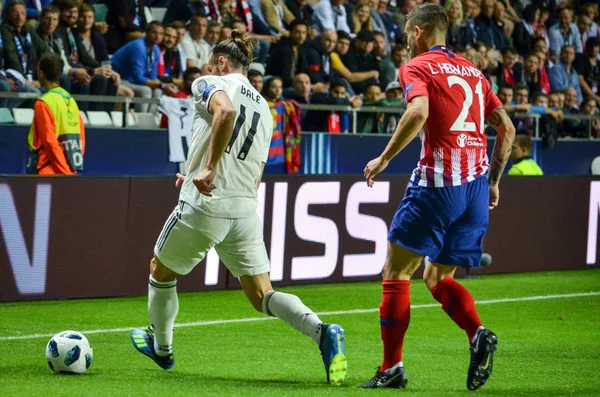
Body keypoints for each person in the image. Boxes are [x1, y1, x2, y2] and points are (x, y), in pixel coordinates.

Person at [129, 29, 347, 386]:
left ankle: (161, 346)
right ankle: (323, 331)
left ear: (222, 63)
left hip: (205, 204)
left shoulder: (209, 82)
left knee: (160, 270)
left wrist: (210, 167)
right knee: (262, 294)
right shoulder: (265, 108)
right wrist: (198, 168)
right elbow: (257, 171)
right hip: (244, 209)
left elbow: (225, 111)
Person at [361, 4, 515, 390]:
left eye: (406, 36)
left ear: (416, 32)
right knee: (437, 275)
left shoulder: (417, 67)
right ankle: (477, 333)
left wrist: (383, 158)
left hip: (438, 184)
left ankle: (391, 369)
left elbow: (417, 112)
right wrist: (494, 181)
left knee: (396, 273)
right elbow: (508, 129)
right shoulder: (476, 74)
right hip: (476, 188)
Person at [27, 52, 85, 175]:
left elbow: (49, 141)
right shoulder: (71, 99)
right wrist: (71, 170)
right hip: (70, 168)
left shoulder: (43, 103)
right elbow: (80, 138)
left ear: (41, 73)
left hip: (46, 170)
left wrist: (63, 172)